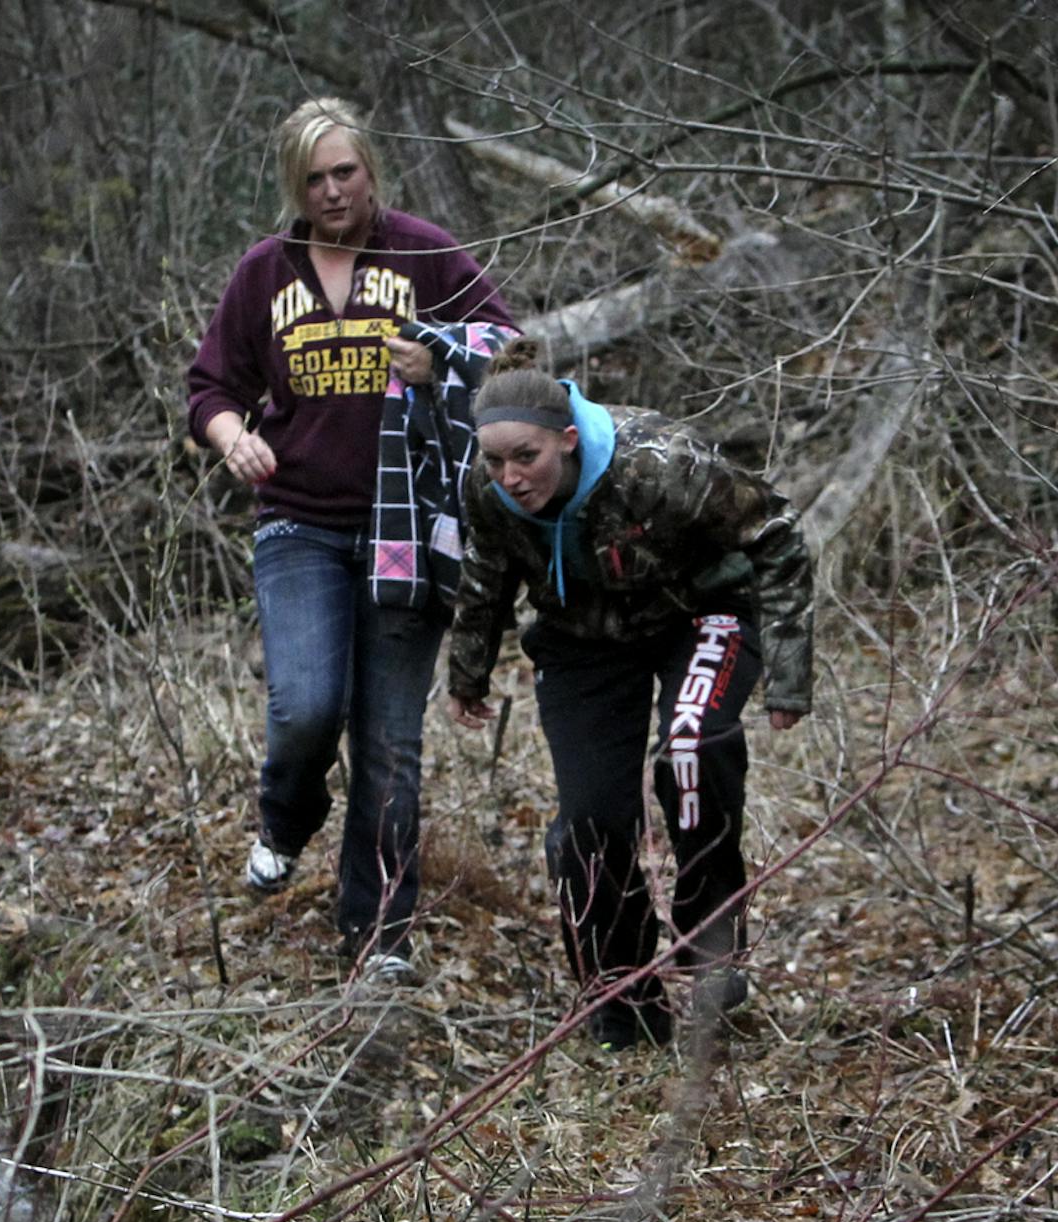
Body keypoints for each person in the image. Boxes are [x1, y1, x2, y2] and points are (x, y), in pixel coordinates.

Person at [187, 98, 514, 978]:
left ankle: (377, 936)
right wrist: (231, 437)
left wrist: (443, 353)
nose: (333, 192)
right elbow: (208, 388)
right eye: (315, 179)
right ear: (295, 186)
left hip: (407, 525)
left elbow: (516, 351)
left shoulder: (425, 251)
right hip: (298, 521)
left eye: (347, 172)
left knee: (389, 742)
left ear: (371, 170)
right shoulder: (265, 273)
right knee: (306, 706)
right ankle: (287, 818)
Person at [445, 338, 814, 1048]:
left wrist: (790, 673)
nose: (510, 477)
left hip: (700, 613)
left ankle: (713, 936)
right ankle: (623, 1002)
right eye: (495, 462)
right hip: (582, 640)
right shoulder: (485, 490)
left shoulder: (658, 465)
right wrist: (468, 673)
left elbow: (776, 532)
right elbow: (485, 575)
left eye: (527, 457)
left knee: (690, 747)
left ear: (567, 438)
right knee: (588, 826)